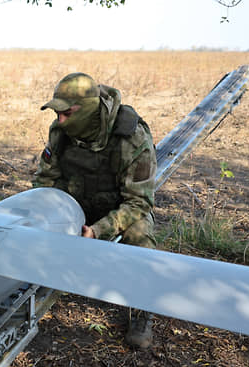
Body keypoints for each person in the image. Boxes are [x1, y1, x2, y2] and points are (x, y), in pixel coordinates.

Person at [33, 72, 157, 349]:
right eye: (58, 113)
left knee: (140, 235)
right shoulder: (60, 132)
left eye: (67, 113)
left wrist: (99, 230)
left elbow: (139, 202)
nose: (60, 120)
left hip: (116, 209)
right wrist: (44, 215)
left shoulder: (132, 138)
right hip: (72, 203)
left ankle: (141, 309)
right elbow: (44, 181)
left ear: (88, 112)